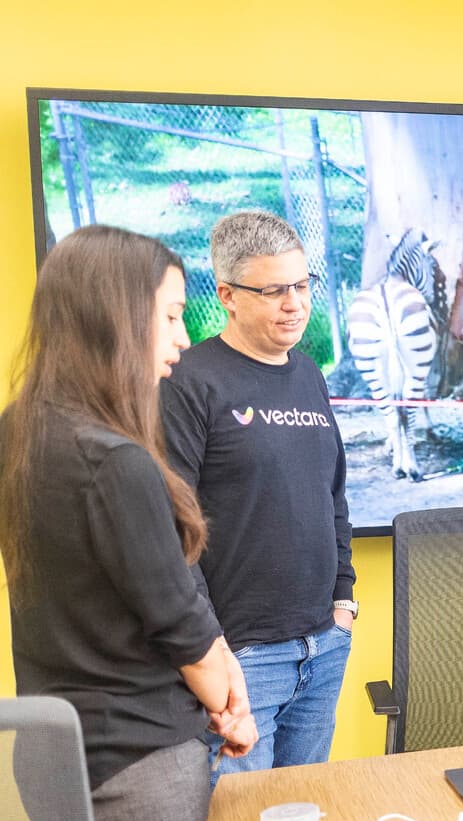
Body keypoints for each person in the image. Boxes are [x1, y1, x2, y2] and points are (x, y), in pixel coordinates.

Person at [0, 225, 258, 821]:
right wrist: (233, 708)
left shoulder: (19, 435)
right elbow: (181, 622)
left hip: (57, 763)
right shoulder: (115, 462)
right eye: (172, 315)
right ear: (119, 314)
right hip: (141, 775)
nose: (183, 339)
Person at [160, 211, 356, 781]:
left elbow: (333, 497)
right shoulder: (188, 382)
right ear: (227, 295)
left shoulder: (309, 375)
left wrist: (343, 602)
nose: (294, 303)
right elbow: (171, 528)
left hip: (324, 647)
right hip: (242, 661)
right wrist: (213, 649)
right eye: (273, 290)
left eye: (301, 285)